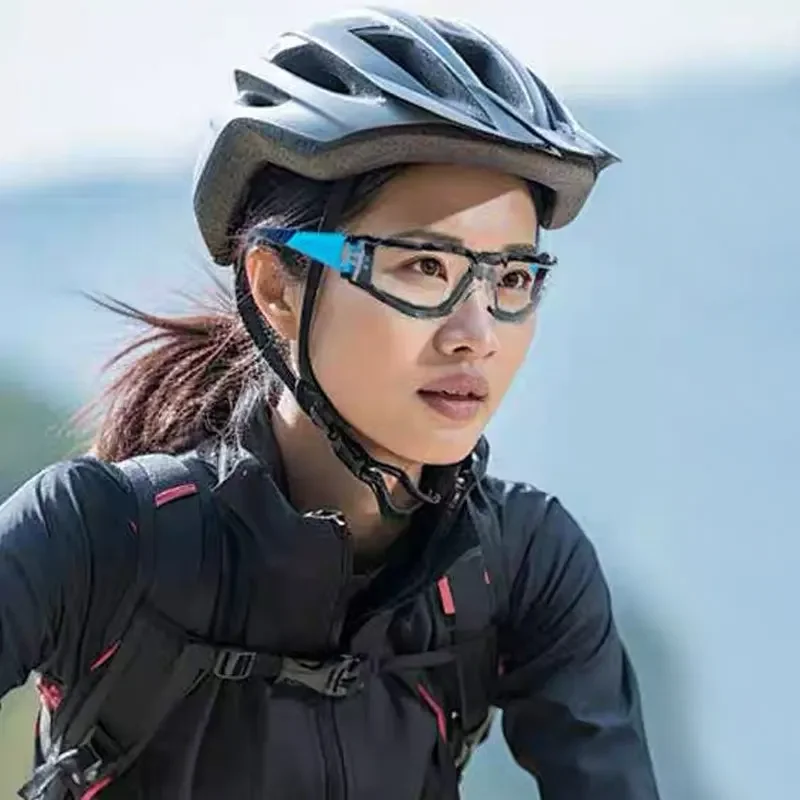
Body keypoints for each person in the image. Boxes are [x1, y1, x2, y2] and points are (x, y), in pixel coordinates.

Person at [0, 7, 662, 800]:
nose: (477, 334)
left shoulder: (520, 566)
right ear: (277, 286)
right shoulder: (97, 535)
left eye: (513, 279)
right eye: (423, 266)